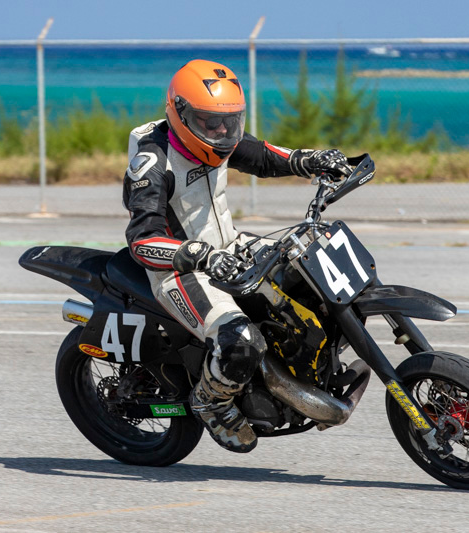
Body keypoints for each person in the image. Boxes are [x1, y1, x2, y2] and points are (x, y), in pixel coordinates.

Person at [122, 59, 352, 453]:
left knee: (308, 272)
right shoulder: (153, 163)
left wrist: (310, 160)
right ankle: (211, 401)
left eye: (230, 121)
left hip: (229, 247)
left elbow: (263, 155)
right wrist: (199, 255)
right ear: (180, 113)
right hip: (180, 268)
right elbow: (142, 241)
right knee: (240, 340)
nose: (222, 132)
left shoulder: (216, 136)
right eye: (211, 122)